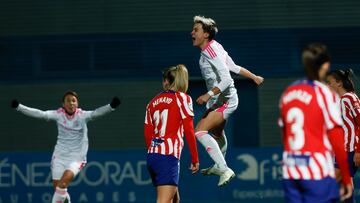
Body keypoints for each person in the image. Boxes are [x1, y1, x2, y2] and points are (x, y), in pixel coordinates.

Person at [191, 15, 264, 187]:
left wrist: (208, 95)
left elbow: (227, 80)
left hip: (226, 101)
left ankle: (224, 168)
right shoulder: (215, 47)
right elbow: (234, 67)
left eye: (196, 30)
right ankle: (219, 165)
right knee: (216, 134)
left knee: (200, 132)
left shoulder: (211, 51)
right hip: (219, 101)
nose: (192, 32)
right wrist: (254, 77)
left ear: (206, 34)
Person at [11, 91, 120, 203]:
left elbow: (96, 113)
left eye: (74, 101)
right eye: (68, 101)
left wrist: (111, 106)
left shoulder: (82, 116)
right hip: (59, 156)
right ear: (63, 104)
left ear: (77, 104)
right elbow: (41, 114)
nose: (71, 103)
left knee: (62, 184)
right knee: (59, 189)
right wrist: (19, 107)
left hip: (76, 157)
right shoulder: (58, 114)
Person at [279, 43, 352, 203]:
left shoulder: (289, 92)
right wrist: (346, 178)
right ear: (326, 65)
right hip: (315, 170)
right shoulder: (325, 94)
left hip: (291, 169)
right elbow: (337, 139)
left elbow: (284, 133)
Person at [144, 64, 199, 203]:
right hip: (168, 156)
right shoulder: (183, 98)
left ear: (167, 81)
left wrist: (155, 154)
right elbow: (189, 130)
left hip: (153, 156)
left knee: (174, 200)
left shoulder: (151, 103)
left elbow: (147, 135)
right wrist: (195, 158)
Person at [327, 68, 360, 203]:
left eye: (330, 83)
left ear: (339, 84)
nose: (328, 85)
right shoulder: (344, 99)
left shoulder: (347, 98)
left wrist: (358, 150)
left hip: (351, 149)